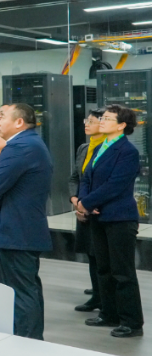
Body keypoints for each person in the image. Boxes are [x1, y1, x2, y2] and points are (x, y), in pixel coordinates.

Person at [0, 103, 53, 340]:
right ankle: (23, 338)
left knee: (21, 291)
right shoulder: (29, 144)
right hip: (15, 229)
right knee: (19, 289)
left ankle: (27, 343)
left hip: (16, 231)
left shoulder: (20, 146)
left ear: (19, 122)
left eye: (2, 117)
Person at [78, 105, 144, 338]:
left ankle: (131, 322)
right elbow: (86, 177)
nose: (102, 121)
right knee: (103, 268)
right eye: (102, 118)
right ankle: (109, 314)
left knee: (122, 272)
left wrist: (87, 203)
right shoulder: (100, 148)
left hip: (119, 217)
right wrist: (84, 200)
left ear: (122, 125)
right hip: (98, 216)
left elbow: (115, 185)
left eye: (107, 118)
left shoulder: (127, 151)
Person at [70, 109, 106, 313]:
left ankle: (103, 296)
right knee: (91, 254)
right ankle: (97, 293)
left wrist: (88, 204)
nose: (86, 124)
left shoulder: (109, 148)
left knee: (101, 255)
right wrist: (75, 201)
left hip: (99, 209)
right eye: (86, 120)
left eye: (91, 121)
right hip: (83, 207)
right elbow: (75, 178)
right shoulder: (84, 148)